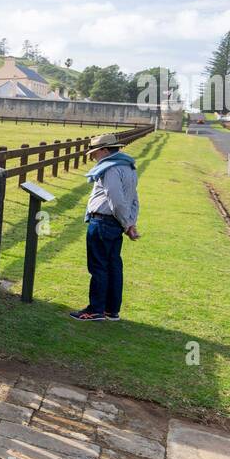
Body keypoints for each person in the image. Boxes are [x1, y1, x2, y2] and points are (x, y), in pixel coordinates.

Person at [70, 133, 140, 322]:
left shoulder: (110, 169)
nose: (93, 156)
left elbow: (116, 200)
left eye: (95, 152)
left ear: (105, 150)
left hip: (103, 221)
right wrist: (129, 223)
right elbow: (133, 199)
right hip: (116, 223)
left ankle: (96, 310)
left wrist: (127, 223)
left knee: (99, 267)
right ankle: (111, 309)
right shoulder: (129, 167)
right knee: (113, 266)